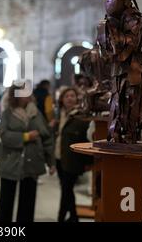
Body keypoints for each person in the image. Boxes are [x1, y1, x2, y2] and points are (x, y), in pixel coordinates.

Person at [0, 82, 55, 222]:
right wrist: (25, 137)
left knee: (28, 203)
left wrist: (51, 162)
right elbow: (4, 136)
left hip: (32, 162)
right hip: (11, 163)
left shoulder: (36, 113)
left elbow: (46, 138)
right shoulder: (8, 113)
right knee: (6, 202)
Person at [54, 87, 92, 222]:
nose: (69, 98)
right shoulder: (60, 115)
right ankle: (74, 217)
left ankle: (62, 217)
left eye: (72, 96)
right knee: (66, 190)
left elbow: (86, 139)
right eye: (66, 96)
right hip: (59, 156)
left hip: (72, 160)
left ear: (77, 99)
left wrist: (88, 161)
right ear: (62, 100)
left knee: (66, 189)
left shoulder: (81, 116)